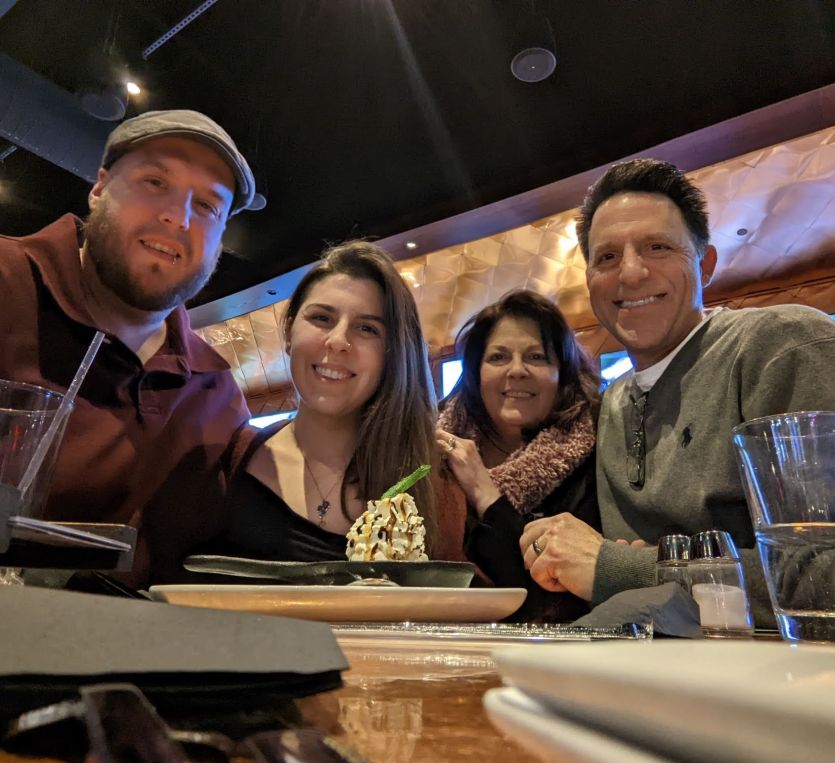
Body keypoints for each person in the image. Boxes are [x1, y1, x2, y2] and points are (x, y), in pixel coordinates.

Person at [520, 159, 835, 627]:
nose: (630, 272)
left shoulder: (786, 346)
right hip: (644, 677)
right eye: (606, 257)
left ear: (704, 265)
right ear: (589, 282)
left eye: (657, 247)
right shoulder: (611, 404)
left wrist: (617, 569)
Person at [0, 110, 256, 586]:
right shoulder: (8, 282)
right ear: (99, 189)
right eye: (155, 181)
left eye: (206, 207)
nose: (177, 217)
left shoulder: (216, 393)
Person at [208, 241, 447, 562]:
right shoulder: (227, 463)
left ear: (392, 354)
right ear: (290, 331)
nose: (337, 341)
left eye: (367, 328)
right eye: (321, 318)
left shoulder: (431, 480)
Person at [436, 290, 600, 622]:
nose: (516, 370)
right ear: (475, 372)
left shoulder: (595, 450)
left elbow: (548, 596)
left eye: (536, 357)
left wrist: (484, 492)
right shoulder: (436, 445)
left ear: (562, 372)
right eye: (498, 357)